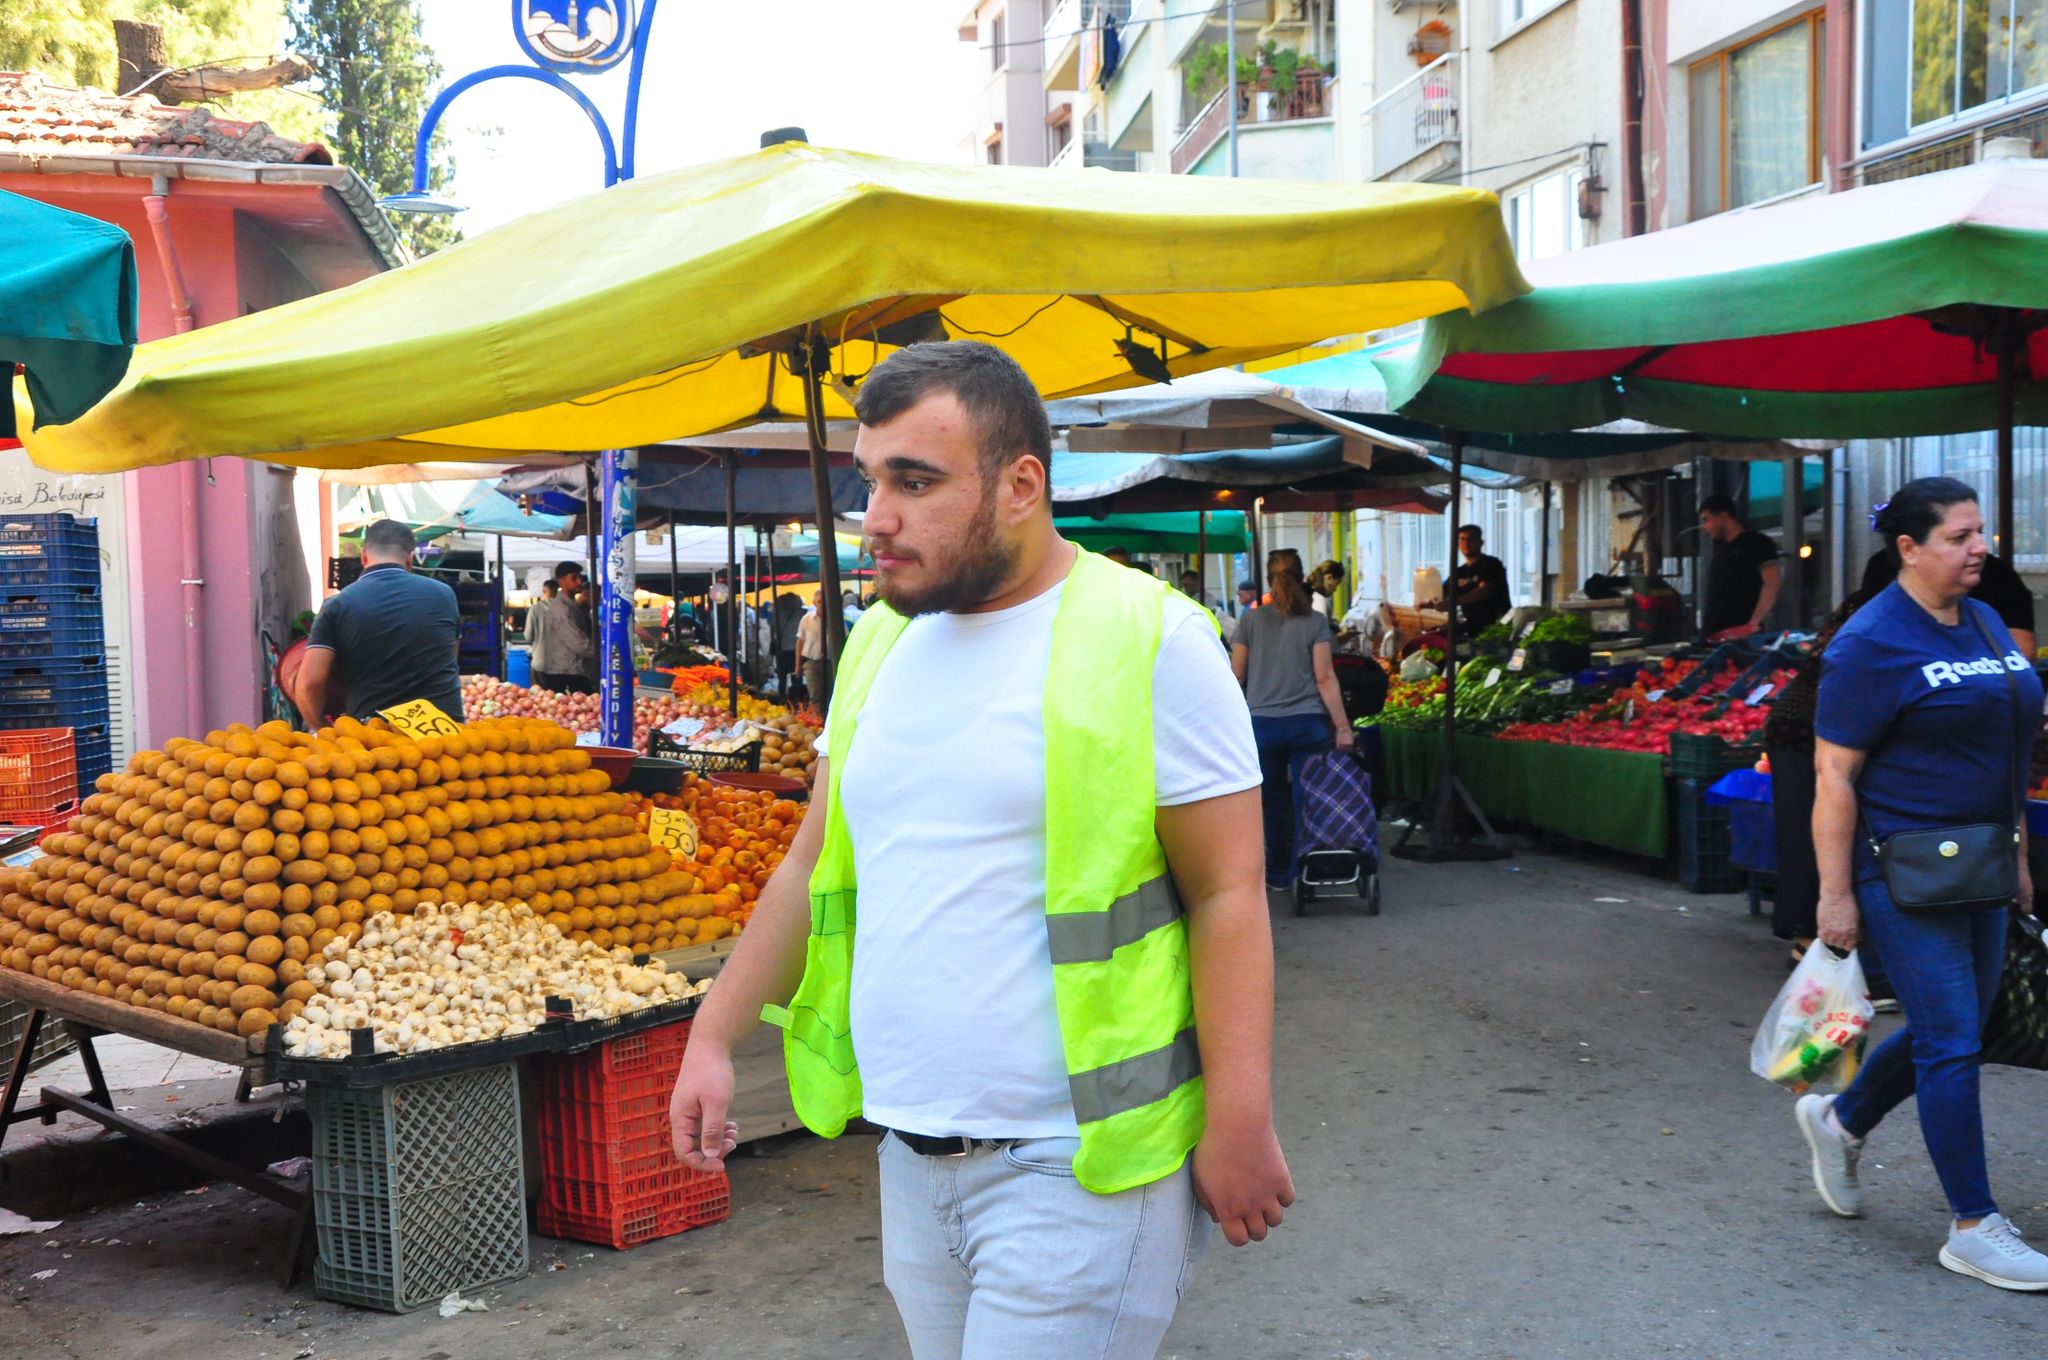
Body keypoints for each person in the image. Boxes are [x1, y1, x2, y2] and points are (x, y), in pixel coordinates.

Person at [668, 341, 1289, 1359]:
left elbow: (1227, 890)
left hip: (1080, 1163)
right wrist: (712, 1034)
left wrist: (1240, 1115)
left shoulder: (1151, 638)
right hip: (910, 1154)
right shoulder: (877, 641)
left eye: (915, 481)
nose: (875, 517)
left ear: (1019, 484)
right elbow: (803, 862)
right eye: (870, 479)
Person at [1799, 477, 2046, 1291]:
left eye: (1981, 533)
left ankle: (1840, 1118)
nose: (1980, 549)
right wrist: (1835, 897)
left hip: (1979, 856)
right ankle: (1973, 1223)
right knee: (1952, 1042)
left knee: (1960, 1026)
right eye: (1959, 536)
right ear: (1908, 548)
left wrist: (2013, 850)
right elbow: (1833, 775)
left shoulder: (1978, 618)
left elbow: (2007, 741)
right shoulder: (1870, 642)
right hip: (1900, 867)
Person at [1231, 558, 1353, 892]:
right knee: (1308, 799)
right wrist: (1342, 726)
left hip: (1262, 724)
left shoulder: (1250, 620)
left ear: (1269, 580)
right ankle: (1307, 872)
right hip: (1307, 723)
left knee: (1271, 803)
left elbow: (1235, 675)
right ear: (1302, 578)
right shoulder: (1315, 622)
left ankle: (1276, 875)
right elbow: (1325, 677)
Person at [293, 519, 462, 727]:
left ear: (364, 556)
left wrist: (320, 729)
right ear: (409, 559)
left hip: (375, 738)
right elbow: (450, 658)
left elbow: (309, 684)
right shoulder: (444, 595)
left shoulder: (337, 605)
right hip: (443, 735)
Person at [1699, 494, 1783, 641]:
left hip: (1739, 635)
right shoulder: (1720, 546)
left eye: (1707, 519)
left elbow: (1772, 581)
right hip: (1712, 633)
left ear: (1723, 516)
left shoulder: (1757, 542)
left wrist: (1753, 623)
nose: (1704, 527)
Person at [532, 561, 596, 694]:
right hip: (564, 672)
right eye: (574, 578)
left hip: (571, 669)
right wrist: (604, 653)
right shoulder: (561, 609)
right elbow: (578, 642)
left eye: (580, 578)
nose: (579, 582)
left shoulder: (571, 606)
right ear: (561, 581)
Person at [1447, 525, 1511, 634]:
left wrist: (1453, 602)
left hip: (1496, 627)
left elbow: (1483, 591)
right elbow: (1443, 592)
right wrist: (1428, 602)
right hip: (1471, 628)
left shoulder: (1491, 564)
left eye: (1470, 539)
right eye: (1462, 539)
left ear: (1481, 542)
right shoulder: (1458, 572)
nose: (1466, 543)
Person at [795, 588, 829, 709]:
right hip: (812, 663)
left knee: (832, 695)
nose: (822, 604)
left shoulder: (834, 618)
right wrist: (798, 664)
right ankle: (817, 724)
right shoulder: (807, 619)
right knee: (815, 696)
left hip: (831, 663)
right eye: (820, 601)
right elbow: (800, 642)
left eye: (825, 601)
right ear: (814, 603)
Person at [524, 578, 556, 651]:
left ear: (543, 591)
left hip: (540, 657)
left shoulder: (534, 609)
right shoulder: (564, 608)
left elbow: (528, 636)